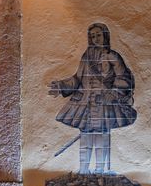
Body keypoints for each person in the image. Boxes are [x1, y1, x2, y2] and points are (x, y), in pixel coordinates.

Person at [48, 23, 137, 175]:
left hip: (104, 104)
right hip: (87, 103)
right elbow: (77, 79)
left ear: (105, 35)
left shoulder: (113, 56)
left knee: (102, 137)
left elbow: (124, 79)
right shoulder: (87, 56)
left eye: (98, 35)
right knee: (86, 137)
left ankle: (100, 172)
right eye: (92, 36)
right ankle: (83, 171)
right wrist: (61, 86)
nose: (95, 39)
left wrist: (113, 92)